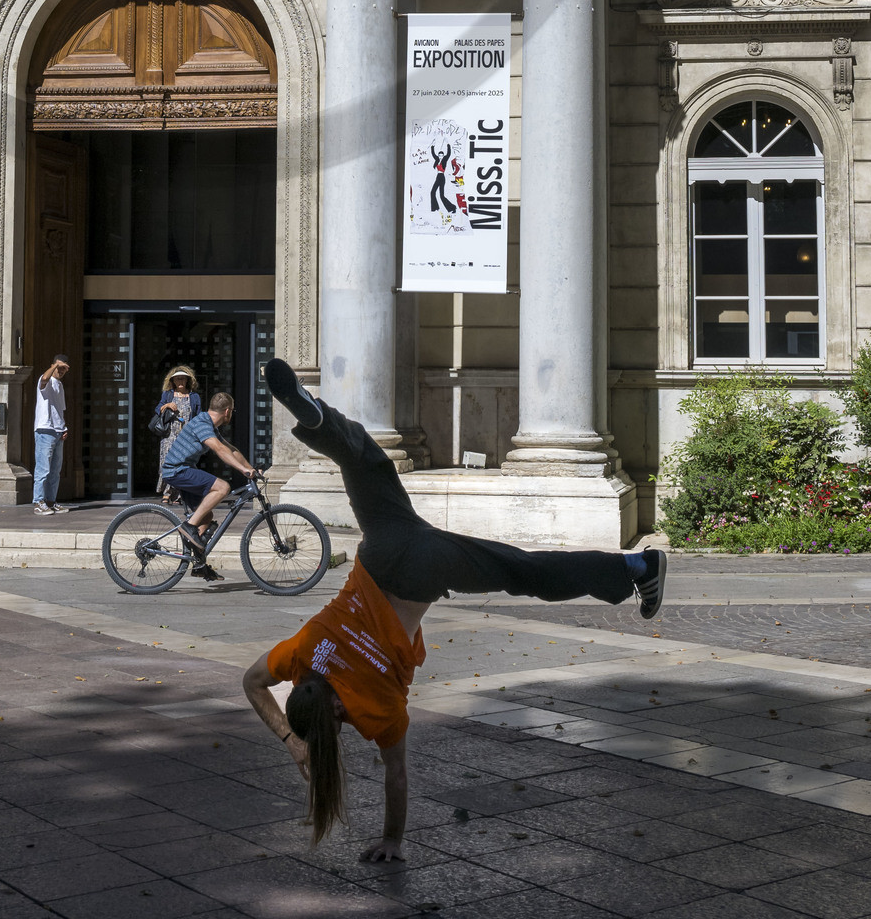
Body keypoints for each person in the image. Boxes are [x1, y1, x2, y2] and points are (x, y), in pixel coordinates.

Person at [242, 359, 667, 864]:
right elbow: (251, 683)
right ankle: (315, 416)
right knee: (363, 459)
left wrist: (392, 839)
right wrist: (290, 735)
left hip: (422, 568)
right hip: (385, 542)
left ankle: (637, 567)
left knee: (524, 571)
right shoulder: (300, 656)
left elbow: (395, 776)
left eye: (336, 726)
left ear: (335, 712)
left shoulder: (372, 709)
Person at [159, 387, 256, 577]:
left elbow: (231, 449)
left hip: (184, 469)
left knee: (206, 518)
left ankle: (198, 565)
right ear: (227, 411)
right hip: (177, 470)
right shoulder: (203, 422)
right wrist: (242, 470)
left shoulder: (209, 425)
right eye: (232, 412)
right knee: (223, 487)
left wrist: (251, 469)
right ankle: (188, 527)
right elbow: (218, 449)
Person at [150, 365, 201, 499]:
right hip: (169, 435)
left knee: (184, 464)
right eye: (177, 379)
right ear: (172, 381)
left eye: (183, 379)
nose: (180, 382)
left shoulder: (194, 396)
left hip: (186, 436)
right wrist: (167, 405)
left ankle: (180, 495)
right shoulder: (168, 394)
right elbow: (157, 409)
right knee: (167, 463)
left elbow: (197, 415)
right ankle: (167, 493)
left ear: (187, 380)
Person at [31, 354, 70, 515]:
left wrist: (64, 427)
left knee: (55, 470)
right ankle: (38, 502)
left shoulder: (59, 386)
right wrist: (55, 365)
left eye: (64, 368)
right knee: (43, 469)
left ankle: (50, 501)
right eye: (59, 367)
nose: (61, 371)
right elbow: (45, 378)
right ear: (53, 365)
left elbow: (59, 410)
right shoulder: (45, 380)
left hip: (58, 431)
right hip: (44, 430)